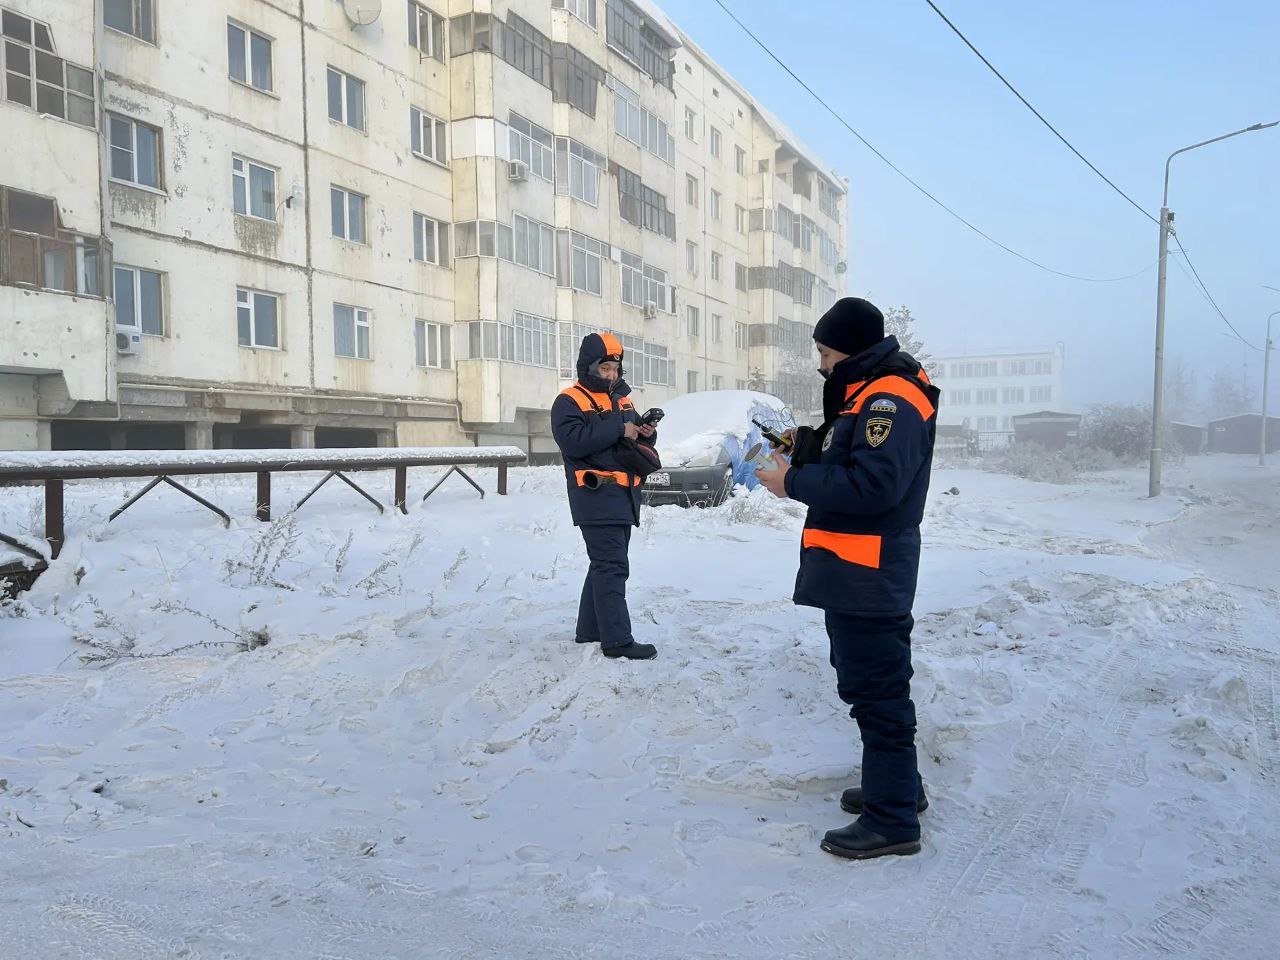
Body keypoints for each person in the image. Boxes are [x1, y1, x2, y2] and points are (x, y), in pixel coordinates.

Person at [754, 297, 940, 860]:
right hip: (856, 572)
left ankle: (893, 820)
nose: (821, 363)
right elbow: (850, 455)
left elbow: (874, 487)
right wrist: (803, 449)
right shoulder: (868, 394)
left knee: (878, 691)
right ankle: (898, 787)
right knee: (867, 683)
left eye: (825, 351)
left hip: (869, 572)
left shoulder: (890, 399)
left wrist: (794, 484)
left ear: (851, 350)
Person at [551, 332, 658, 661]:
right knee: (612, 566)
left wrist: (646, 433)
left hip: (622, 497)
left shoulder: (623, 401)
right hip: (595, 496)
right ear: (589, 367)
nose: (611, 375)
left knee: (603, 564)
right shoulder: (569, 401)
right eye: (605, 368)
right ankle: (617, 641)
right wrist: (618, 428)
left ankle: (590, 630)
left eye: (615, 368)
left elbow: (633, 440)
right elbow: (574, 441)